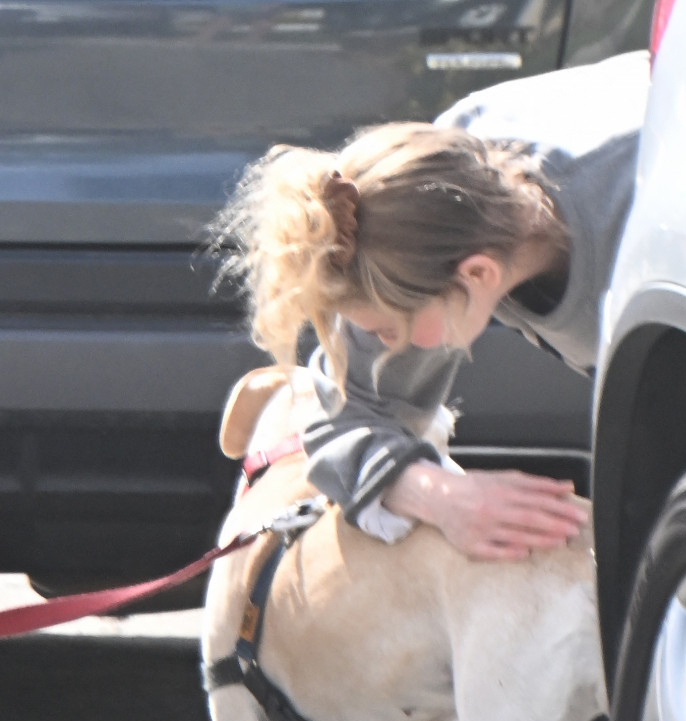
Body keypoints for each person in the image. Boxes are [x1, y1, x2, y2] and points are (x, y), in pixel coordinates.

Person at [216, 53, 650, 561]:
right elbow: (343, 415)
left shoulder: (646, 225)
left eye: (388, 331)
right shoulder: (424, 204)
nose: (386, 349)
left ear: (478, 275)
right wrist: (443, 497)